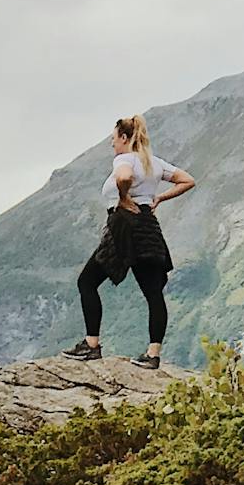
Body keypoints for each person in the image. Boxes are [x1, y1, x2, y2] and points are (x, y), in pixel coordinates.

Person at [65, 115, 195, 367]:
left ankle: (91, 345)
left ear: (124, 138)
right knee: (153, 293)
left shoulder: (124, 159)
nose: (112, 145)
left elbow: (123, 177)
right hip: (148, 225)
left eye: (113, 139)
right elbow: (187, 180)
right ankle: (153, 355)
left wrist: (124, 197)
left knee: (87, 282)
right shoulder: (154, 163)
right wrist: (158, 199)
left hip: (124, 225)